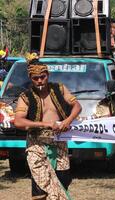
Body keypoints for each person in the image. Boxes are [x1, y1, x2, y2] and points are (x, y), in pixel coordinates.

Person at [14, 53, 82, 200]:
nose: (40, 81)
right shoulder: (25, 97)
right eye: (35, 78)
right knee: (40, 187)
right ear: (30, 78)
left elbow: (77, 106)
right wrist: (45, 124)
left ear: (48, 74)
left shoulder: (60, 88)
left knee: (63, 180)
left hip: (59, 142)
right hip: (36, 144)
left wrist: (68, 121)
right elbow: (18, 121)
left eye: (42, 77)